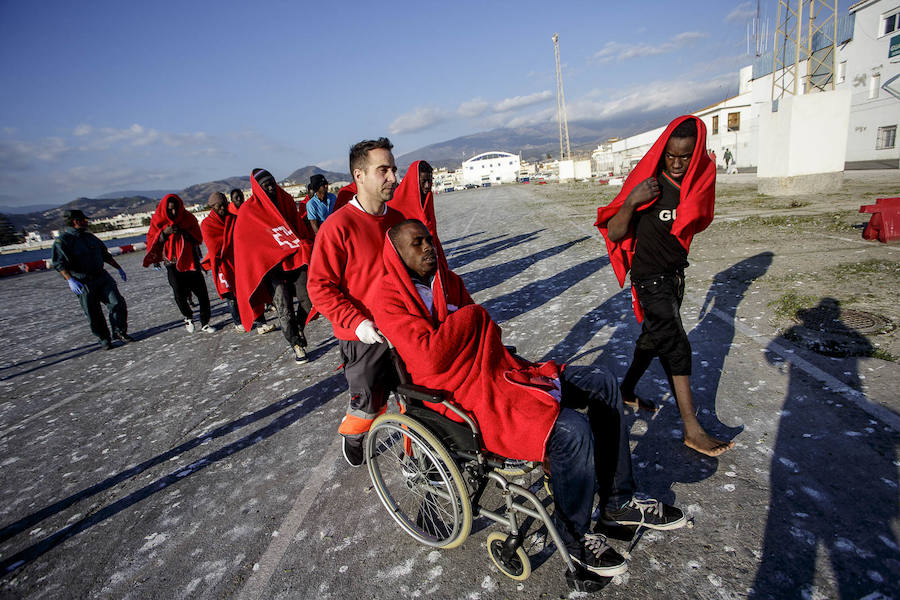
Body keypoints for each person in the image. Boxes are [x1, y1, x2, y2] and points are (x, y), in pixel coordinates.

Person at [373, 218, 686, 579]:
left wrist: (467, 324)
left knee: (602, 381)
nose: (429, 247)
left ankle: (619, 502)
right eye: (418, 243)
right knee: (571, 430)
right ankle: (576, 539)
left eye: (430, 240)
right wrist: (471, 317)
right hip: (461, 394)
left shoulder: (447, 280)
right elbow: (430, 357)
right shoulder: (388, 296)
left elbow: (485, 333)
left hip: (498, 369)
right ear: (397, 253)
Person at [595, 115, 733, 457]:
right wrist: (631, 201)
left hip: (674, 277)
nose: (676, 162)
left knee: (652, 339)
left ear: (695, 152)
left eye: (684, 156)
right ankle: (692, 429)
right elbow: (614, 233)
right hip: (649, 279)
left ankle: (626, 389)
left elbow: (700, 210)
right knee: (676, 345)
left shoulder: (694, 184)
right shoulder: (649, 186)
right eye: (671, 155)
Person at [307, 137, 405, 467]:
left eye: (393, 169)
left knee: (416, 402)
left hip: (405, 331)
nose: (393, 177)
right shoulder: (338, 227)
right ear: (359, 176)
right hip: (364, 339)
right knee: (368, 405)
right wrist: (358, 323)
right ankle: (354, 433)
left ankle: (418, 458)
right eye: (384, 170)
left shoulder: (399, 222)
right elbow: (319, 287)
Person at [233, 169, 315, 363]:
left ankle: (300, 328)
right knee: (283, 308)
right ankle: (296, 344)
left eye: (272, 183)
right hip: (272, 268)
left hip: (294, 260)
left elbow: (298, 227)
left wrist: (305, 245)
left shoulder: (285, 200)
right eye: (265, 185)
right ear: (257, 189)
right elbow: (245, 245)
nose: (270, 187)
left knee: (309, 298)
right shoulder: (249, 211)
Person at [51, 209, 131, 349]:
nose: (86, 223)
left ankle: (119, 332)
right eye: (85, 220)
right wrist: (70, 279)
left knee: (117, 302)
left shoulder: (90, 237)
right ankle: (104, 339)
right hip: (82, 281)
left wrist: (118, 268)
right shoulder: (63, 241)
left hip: (101, 277)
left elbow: (105, 255)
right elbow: (59, 264)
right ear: (76, 221)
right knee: (93, 312)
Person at [200, 193, 274, 334]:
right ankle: (238, 321)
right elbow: (214, 246)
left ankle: (261, 323)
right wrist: (231, 244)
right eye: (219, 206)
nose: (222, 208)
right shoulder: (207, 225)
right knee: (232, 296)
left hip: (240, 262)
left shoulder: (234, 219)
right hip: (224, 266)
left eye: (224, 205)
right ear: (212, 207)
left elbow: (245, 237)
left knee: (252, 291)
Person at [144, 194, 214, 334]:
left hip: (190, 262)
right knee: (179, 294)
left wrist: (185, 233)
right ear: (165, 209)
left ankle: (205, 322)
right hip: (172, 264)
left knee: (202, 294)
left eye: (176, 209)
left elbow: (197, 238)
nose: (174, 212)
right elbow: (152, 241)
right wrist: (164, 233)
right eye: (170, 210)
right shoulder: (158, 220)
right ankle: (188, 316)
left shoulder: (188, 218)